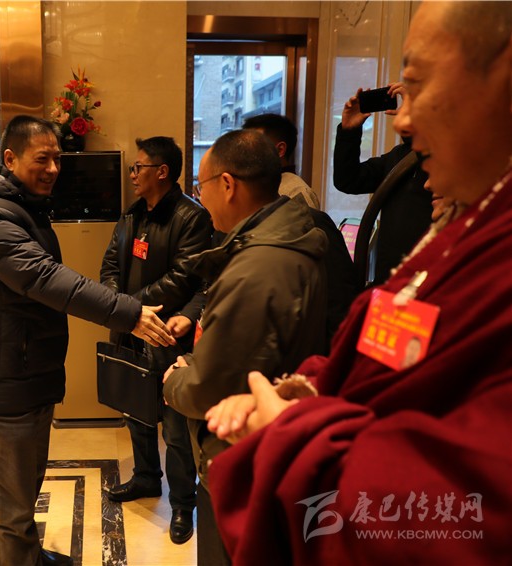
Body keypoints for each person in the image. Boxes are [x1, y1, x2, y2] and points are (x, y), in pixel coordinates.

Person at [205, 2, 512, 563]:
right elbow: (394, 347)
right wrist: (308, 388)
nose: (402, 119)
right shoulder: (469, 211)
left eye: (416, 85)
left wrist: (292, 431)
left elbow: (472, 504)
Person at [0, 115, 175, 566]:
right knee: (14, 501)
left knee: (25, 486)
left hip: (26, 368)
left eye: (57, 158)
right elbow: (44, 278)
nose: (54, 168)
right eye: (43, 159)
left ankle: (29, 557)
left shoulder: (22, 203)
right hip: (5, 378)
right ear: (10, 158)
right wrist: (129, 313)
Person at [162, 129, 328, 565]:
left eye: (201, 186)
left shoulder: (257, 267)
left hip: (241, 455)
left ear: (228, 184)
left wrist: (175, 381)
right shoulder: (281, 237)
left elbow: (211, 387)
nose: (199, 197)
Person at [100, 136, 210, 545]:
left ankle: (182, 504)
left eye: (139, 167)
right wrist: (119, 306)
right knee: (136, 410)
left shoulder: (191, 216)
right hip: (132, 328)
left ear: (162, 172)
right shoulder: (131, 214)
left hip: (169, 335)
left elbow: (182, 277)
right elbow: (110, 263)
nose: (132, 174)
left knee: (176, 428)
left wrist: (128, 306)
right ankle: (146, 477)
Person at [244, 113, 362, 345]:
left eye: (253, 146)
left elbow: (317, 272)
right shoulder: (259, 189)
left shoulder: (296, 193)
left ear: (279, 150)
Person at [333, 82, 432, 286]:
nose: (399, 122)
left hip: (425, 280)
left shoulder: (444, 156)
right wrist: (349, 132)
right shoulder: (398, 156)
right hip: (387, 280)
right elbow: (348, 180)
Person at [242, 113, 320, 209]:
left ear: (280, 150)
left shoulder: (297, 192)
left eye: (253, 144)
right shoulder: (254, 185)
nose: (245, 152)